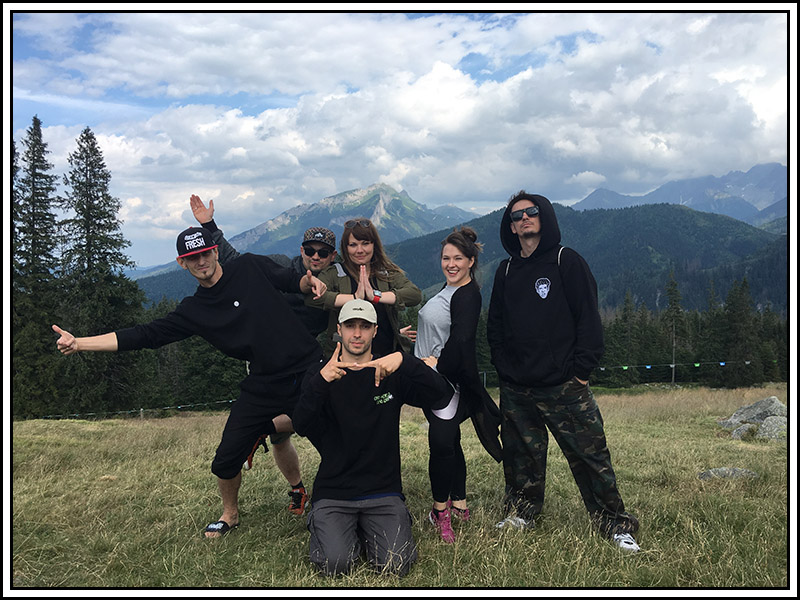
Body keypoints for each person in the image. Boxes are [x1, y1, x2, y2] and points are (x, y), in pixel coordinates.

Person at [52, 226, 327, 538]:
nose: (201, 261)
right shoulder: (195, 310)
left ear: (215, 251)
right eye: (192, 257)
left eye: (205, 253)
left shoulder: (249, 266)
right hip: (263, 381)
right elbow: (145, 334)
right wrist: (80, 343)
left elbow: (291, 280)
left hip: (308, 368)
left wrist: (309, 282)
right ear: (182, 263)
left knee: (335, 440)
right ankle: (230, 514)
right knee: (225, 459)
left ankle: (337, 501)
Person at [486, 191, 641, 552]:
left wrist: (581, 373)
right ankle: (522, 512)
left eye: (531, 212)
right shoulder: (506, 270)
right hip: (517, 387)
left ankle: (615, 524)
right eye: (516, 216)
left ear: (545, 217)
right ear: (510, 227)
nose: (524, 218)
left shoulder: (565, 261)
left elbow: (588, 319)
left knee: (591, 456)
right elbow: (495, 325)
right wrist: (504, 368)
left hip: (564, 386)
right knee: (521, 457)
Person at [190, 194, 337, 515]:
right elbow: (235, 260)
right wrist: (209, 225)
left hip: (305, 364)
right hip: (265, 365)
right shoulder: (281, 265)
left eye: (323, 252)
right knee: (282, 440)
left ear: (332, 256)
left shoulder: (337, 283)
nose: (315, 256)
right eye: (310, 250)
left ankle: (266, 429)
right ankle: (298, 489)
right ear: (301, 250)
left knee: (322, 425)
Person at [293, 299, 451, 577]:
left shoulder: (390, 372)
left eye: (364, 327)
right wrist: (320, 382)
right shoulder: (321, 373)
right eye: (350, 326)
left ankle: (364, 531)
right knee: (335, 565)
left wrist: (405, 360)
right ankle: (336, 529)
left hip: (383, 490)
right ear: (339, 329)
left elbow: (442, 396)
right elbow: (301, 425)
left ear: (375, 331)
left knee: (396, 564)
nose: (357, 334)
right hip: (334, 492)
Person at [411, 227, 502, 543]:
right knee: (451, 441)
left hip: (443, 382)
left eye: (458, 259)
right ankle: (459, 503)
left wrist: (436, 365)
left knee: (441, 444)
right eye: (446, 258)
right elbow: (444, 328)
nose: (450, 264)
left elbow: (461, 340)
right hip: (432, 379)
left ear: (471, 261)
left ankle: (441, 513)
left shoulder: (467, 295)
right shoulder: (450, 289)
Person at [305, 218, 422, 358]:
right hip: (345, 359)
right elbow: (312, 298)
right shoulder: (334, 273)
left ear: (374, 245)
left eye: (365, 243)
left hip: (387, 356)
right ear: (346, 248)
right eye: (353, 245)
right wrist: (354, 298)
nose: (359, 250)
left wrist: (376, 296)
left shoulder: (386, 272)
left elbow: (414, 295)